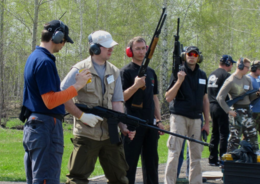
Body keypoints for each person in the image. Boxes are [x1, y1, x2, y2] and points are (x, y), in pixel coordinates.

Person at [60, 30, 136, 184]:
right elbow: (62, 95)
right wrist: (81, 115)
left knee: (120, 179)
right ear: (94, 48)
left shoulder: (114, 71)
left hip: (110, 134)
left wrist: (122, 125)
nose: (111, 49)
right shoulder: (79, 69)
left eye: (111, 46)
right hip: (87, 133)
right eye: (106, 46)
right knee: (77, 179)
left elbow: (117, 102)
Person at [22, 20, 91, 184]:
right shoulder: (45, 62)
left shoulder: (34, 57)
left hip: (36, 126)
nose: (64, 44)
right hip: (45, 126)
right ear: (58, 37)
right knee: (47, 180)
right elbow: (50, 101)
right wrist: (77, 86)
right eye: (65, 40)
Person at [120, 36, 164, 184]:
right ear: (130, 51)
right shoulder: (125, 72)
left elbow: (155, 98)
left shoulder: (151, 72)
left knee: (152, 163)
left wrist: (158, 120)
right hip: (132, 123)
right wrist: (136, 86)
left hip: (150, 124)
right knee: (129, 163)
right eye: (137, 48)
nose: (141, 51)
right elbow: (121, 98)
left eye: (143, 48)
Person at [164, 46, 210, 184]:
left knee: (196, 155)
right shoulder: (178, 72)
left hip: (196, 119)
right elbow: (168, 97)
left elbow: (205, 100)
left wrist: (207, 122)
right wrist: (179, 81)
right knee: (174, 153)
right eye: (189, 53)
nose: (192, 56)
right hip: (179, 117)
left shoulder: (202, 75)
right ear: (185, 55)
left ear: (198, 57)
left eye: (195, 54)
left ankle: (195, 182)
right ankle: (169, 182)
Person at [217, 57, 259, 153]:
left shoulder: (247, 79)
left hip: (247, 111)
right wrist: (229, 111)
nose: (249, 70)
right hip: (236, 112)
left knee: (253, 137)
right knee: (234, 139)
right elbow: (220, 98)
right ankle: (230, 161)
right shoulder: (230, 80)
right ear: (240, 66)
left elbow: (249, 97)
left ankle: (253, 159)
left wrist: (257, 94)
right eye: (247, 67)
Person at [207, 55, 236, 166]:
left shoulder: (212, 74)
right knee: (224, 133)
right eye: (231, 63)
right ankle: (223, 157)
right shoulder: (226, 75)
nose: (232, 66)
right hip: (221, 105)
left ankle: (212, 158)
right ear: (228, 63)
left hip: (211, 105)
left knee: (215, 132)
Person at [248, 60, 260, 135]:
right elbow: (246, 97)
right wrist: (258, 93)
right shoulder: (247, 79)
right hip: (252, 111)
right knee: (250, 136)